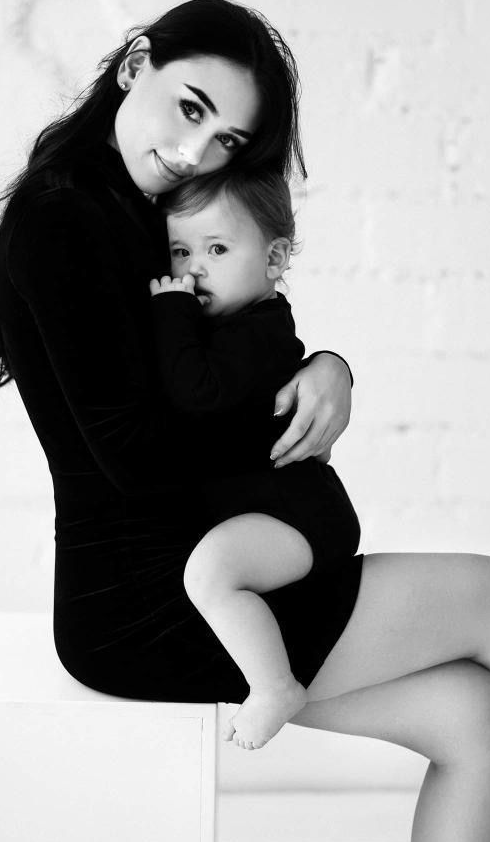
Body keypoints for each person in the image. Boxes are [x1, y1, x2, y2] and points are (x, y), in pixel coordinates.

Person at [0, 0, 490, 842]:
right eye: (190, 107)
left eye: (226, 141)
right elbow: (135, 456)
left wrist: (328, 364)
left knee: (477, 717)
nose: (197, 148)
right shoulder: (70, 225)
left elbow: (213, 360)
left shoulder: (124, 207)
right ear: (135, 64)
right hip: (158, 595)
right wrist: (297, 389)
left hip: (190, 569)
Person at [149, 169, 361, 751]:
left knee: (212, 575)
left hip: (301, 516)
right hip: (277, 513)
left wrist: (169, 310)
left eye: (217, 249)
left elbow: (197, 393)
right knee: (212, 573)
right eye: (181, 251)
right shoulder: (230, 325)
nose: (193, 268)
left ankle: (274, 687)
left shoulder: (262, 330)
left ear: (274, 259)